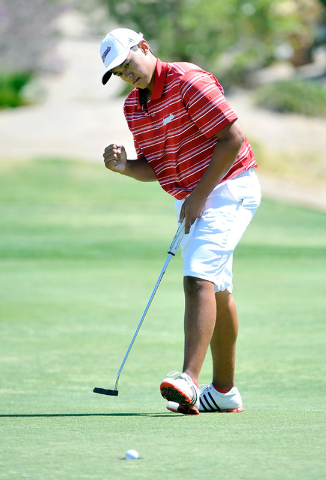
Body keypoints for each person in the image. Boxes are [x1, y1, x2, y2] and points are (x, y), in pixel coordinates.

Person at [100, 28, 261, 414]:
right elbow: (156, 166)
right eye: (120, 72)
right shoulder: (133, 108)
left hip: (228, 189)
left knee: (197, 277)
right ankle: (223, 393)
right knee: (217, 290)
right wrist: (125, 167)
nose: (128, 74)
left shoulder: (188, 81)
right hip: (193, 198)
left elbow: (233, 137)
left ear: (144, 47)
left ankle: (188, 379)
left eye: (128, 64)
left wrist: (200, 194)